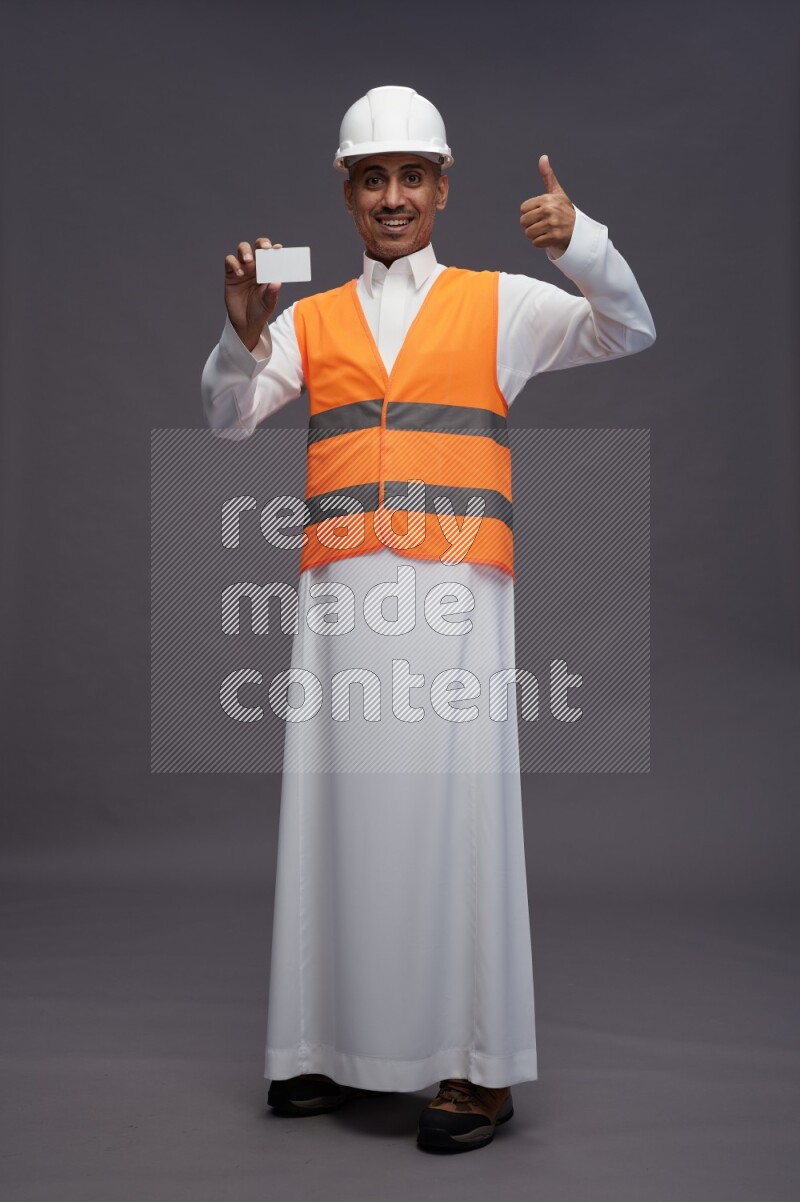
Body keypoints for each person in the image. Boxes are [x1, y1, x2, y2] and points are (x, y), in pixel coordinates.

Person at [201, 85, 655, 1154]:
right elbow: (228, 419)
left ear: (442, 189)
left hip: (455, 600)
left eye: (411, 176)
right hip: (338, 597)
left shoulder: (502, 305)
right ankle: (319, 1045)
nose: (392, 197)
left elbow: (627, 325)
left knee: (457, 819)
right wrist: (237, 338)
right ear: (347, 193)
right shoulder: (302, 316)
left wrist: (583, 242)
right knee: (335, 814)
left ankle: (476, 1068)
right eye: (372, 178)